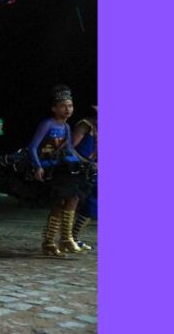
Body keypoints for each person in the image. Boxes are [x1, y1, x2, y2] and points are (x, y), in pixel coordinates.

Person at [28, 85, 84, 256]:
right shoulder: (47, 124)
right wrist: (37, 166)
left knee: (72, 198)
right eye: (63, 106)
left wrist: (86, 161)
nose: (68, 109)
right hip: (49, 167)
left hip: (63, 166)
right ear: (54, 108)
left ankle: (59, 239)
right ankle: (56, 240)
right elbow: (33, 146)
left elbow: (69, 149)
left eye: (70, 106)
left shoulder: (67, 127)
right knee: (60, 201)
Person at [71, 106, 97, 250]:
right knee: (70, 202)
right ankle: (65, 239)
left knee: (93, 204)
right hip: (77, 169)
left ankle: (74, 237)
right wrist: (86, 162)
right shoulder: (85, 125)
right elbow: (70, 147)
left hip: (91, 170)